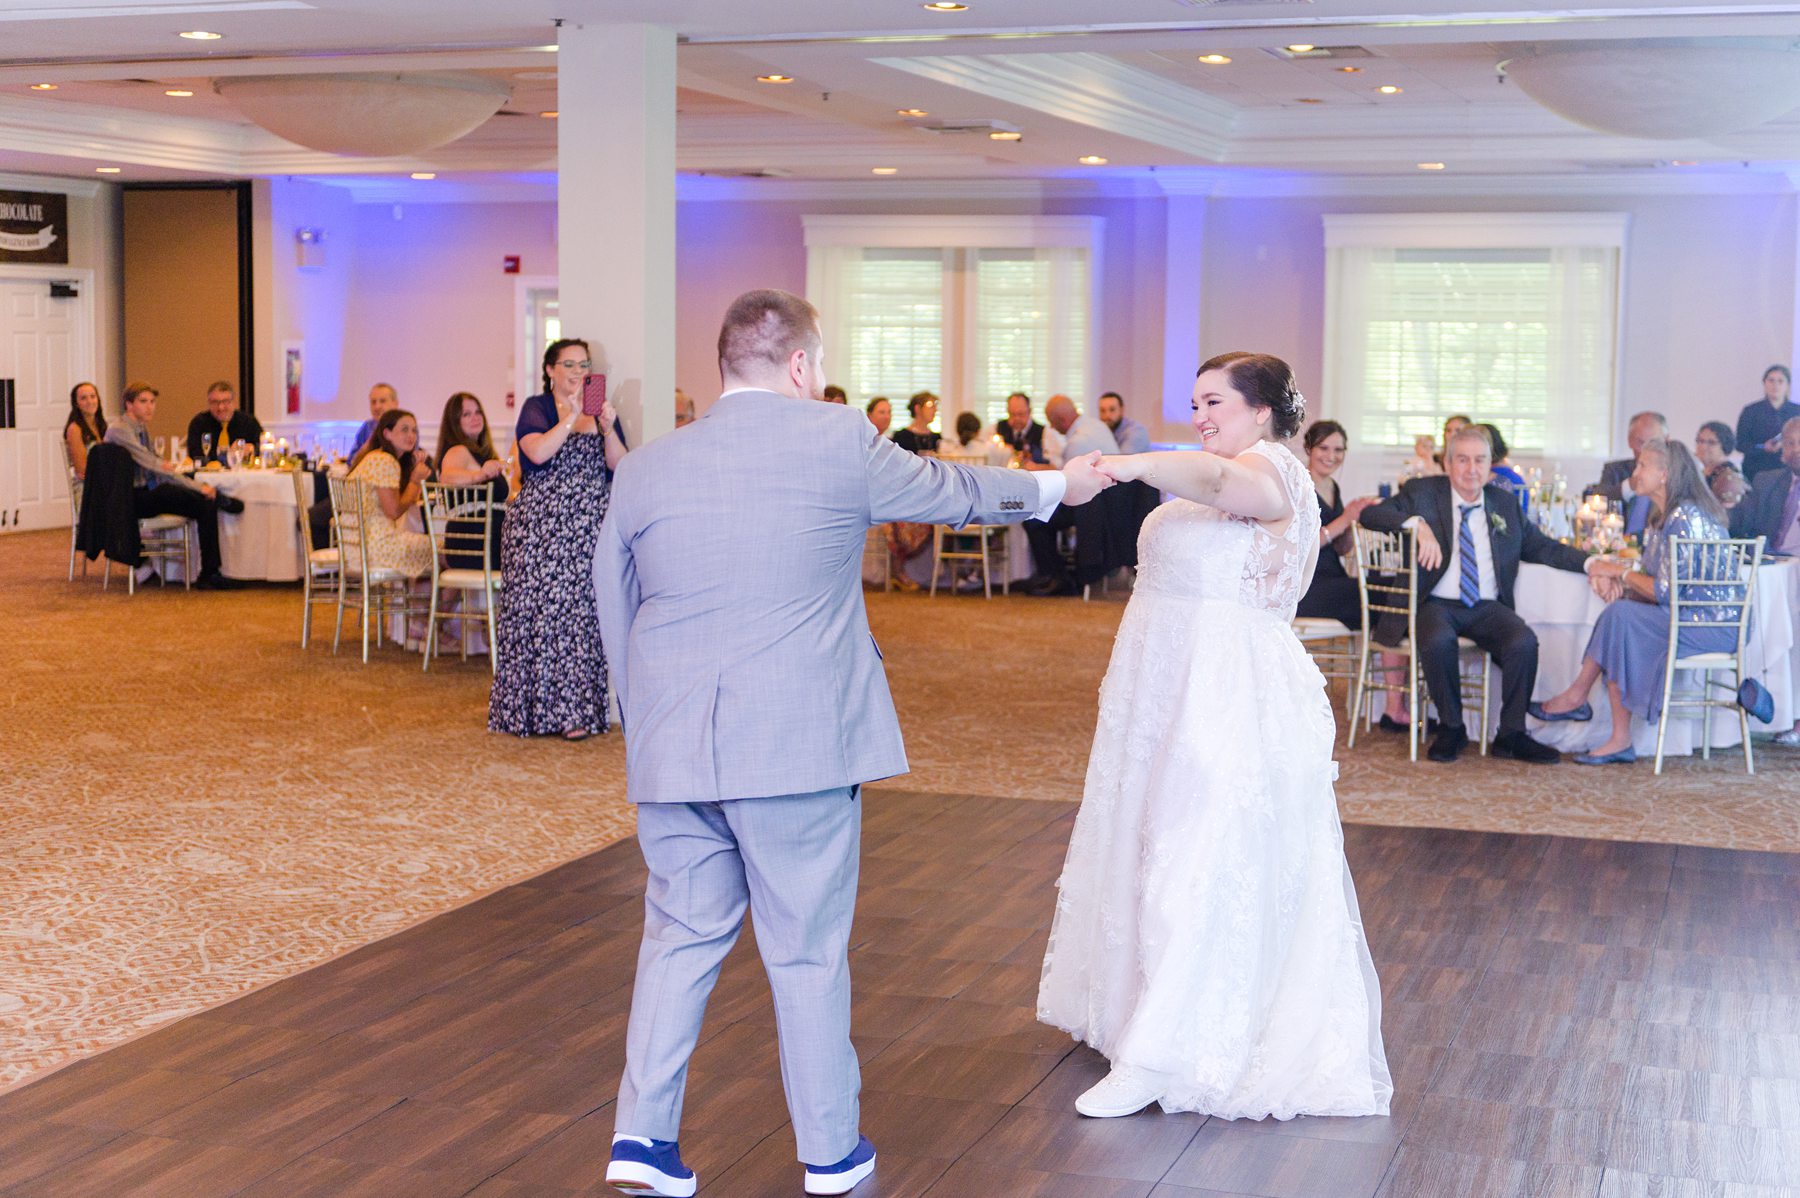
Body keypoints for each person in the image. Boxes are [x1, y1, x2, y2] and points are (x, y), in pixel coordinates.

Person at [593, 288, 1110, 1198]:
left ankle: (642, 1135)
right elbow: (956, 493)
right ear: (800, 364)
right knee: (803, 949)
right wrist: (1064, 485)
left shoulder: (644, 467)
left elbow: (613, 605)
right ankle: (830, 1154)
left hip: (673, 751)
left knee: (677, 937)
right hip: (796, 745)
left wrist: (651, 728)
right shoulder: (835, 438)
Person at [1037, 351, 1390, 1123]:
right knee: (1153, 840)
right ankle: (1141, 1011)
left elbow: (1224, 487)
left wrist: (1132, 465)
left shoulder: (1268, 470)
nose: (1200, 416)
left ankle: (1166, 1050)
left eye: (1213, 402)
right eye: (1194, 403)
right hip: (1165, 687)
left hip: (1225, 692)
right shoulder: (1220, 462)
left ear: (1262, 411)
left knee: (1197, 853)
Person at [1359, 424, 1603, 764]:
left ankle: (1511, 734)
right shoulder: (1424, 493)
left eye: (1479, 460)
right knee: (1436, 640)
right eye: (1462, 460)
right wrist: (1416, 524)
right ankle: (1452, 727)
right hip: (1437, 602)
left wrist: (1591, 563)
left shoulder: (1504, 503)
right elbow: (1371, 514)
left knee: (1523, 642)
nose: (1471, 469)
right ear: (1447, 463)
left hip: (1487, 606)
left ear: (1491, 465)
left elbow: (1542, 548)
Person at [1531, 440, 1735, 765]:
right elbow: (1658, 585)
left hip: (1709, 624)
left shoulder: (1684, 519)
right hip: (1682, 615)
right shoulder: (1664, 516)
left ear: (1664, 474)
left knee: (1621, 618)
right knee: (1620, 617)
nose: (1634, 472)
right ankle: (1607, 726)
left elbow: (1666, 591)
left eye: (1642, 466)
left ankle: (1582, 700)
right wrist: (1619, 585)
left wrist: (1618, 574)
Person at [489, 338, 627, 742]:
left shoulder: (600, 410)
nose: (578, 371)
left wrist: (605, 427)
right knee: (539, 616)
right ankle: (528, 712)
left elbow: (618, 464)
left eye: (584, 364)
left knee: (579, 616)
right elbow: (536, 453)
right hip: (539, 530)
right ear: (550, 369)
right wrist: (570, 418)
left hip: (585, 530)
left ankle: (575, 713)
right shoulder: (538, 408)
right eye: (569, 363)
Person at [102, 382, 245, 590]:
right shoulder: (120, 430)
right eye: (143, 402)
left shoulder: (140, 427)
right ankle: (215, 497)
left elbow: (157, 464)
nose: (150, 407)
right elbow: (153, 464)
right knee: (186, 493)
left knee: (204, 505)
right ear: (129, 404)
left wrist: (194, 485)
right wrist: (197, 486)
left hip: (145, 492)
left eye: (152, 402)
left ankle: (210, 572)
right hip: (130, 498)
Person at [1021, 395, 1120, 595]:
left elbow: (1064, 481)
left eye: (1052, 423)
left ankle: (1056, 577)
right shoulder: (1097, 426)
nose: (1053, 428)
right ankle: (1058, 575)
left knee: (1035, 518)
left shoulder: (1077, 442)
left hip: (1089, 508)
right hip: (1112, 505)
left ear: (1062, 421)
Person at [1295, 420, 1375, 630]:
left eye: (1338, 450)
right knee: (1376, 594)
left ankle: (1383, 652)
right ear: (1308, 449)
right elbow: (1303, 544)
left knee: (1384, 588)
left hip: (1334, 576)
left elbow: (1341, 547)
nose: (1331, 456)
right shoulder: (1299, 485)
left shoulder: (1333, 487)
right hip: (1308, 582)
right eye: (1324, 448)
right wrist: (1345, 518)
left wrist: (1354, 519)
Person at [346, 408, 435, 579]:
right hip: (376, 545)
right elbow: (394, 512)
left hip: (358, 543)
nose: (411, 435)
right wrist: (415, 480)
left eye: (414, 430)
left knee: (439, 550)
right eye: (404, 429)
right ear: (387, 433)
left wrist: (413, 474)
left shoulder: (376, 457)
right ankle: (431, 605)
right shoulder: (384, 461)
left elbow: (407, 501)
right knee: (445, 549)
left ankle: (423, 605)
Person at [1735, 364, 1799, 483]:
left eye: (1780, 381)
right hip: (1756, 470)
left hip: (1789, 471)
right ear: (1764, 383)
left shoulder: (1796, 411)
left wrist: (1786, 445)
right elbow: (1740, 443)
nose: (1775, 385)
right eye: (1771, 380)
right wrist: (1763, 447)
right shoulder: (1751, 411)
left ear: (1787, 385)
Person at [1594, 411, 1667, 500]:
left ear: (1667, 440)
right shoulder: (1615, 470)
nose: (1647, 450)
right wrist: (1629, 485)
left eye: (1653, 443)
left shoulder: (1675, 474)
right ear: (1629, 441)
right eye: (1641, 442)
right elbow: (1598, 500)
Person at [184, 380, 262, 463]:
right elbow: (194, 455)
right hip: (209, 474)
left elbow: (262, 447)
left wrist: (251, 448)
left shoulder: (248, 422)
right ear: (209, 403)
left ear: (233, 402)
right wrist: (227, 454)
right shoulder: (199, 423)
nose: (220, 407)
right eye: (215, 402)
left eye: (225, 401)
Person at [1695, 420, 1748, 510]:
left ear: (1725, 445)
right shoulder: (1701, 473)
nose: (1703, 446)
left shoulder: (1729, 477)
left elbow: (1727, 516)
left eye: (1711, 442)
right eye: (1700, 441)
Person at [63, 381, 106, 479]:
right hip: (86, 485)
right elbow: (82, 469)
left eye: (93, 396)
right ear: (76, 404)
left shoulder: (100, 425)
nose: (90, 401)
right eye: (84, 398)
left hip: (101, 480)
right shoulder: (74, 429)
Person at [996, 391, 1047, 464]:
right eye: (1012, 414)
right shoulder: (998, 428)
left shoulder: (1043, 432)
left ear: (1029, 411)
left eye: (1021, 414)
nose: (1017, 418)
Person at [350, 383, 399, 457]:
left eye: (382, 401)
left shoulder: (406, 427)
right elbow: (351, 460)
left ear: (395, 404)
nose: (377, 407)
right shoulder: (367, 427)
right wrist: (365, 449)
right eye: (373, 402)